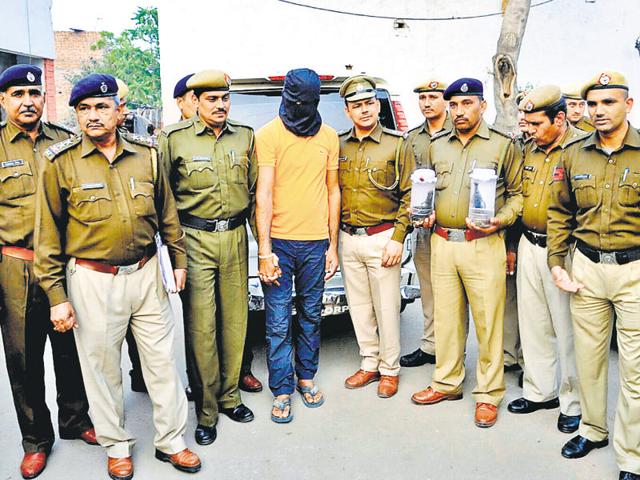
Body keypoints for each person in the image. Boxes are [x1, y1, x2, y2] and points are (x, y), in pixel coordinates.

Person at [34, 73, 200, 480]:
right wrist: (57, 295)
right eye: (84, 108)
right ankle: (116, 445)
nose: (93, 115)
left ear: (119, 110)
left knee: (161, 362)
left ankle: (172, 441)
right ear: (76, 114)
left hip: (145, 274)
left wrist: (177, 261)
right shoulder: (60, 162)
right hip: (92, 279)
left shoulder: (147, 154)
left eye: (101, 106)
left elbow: (167, 216)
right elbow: (47, 236)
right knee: (102, 368)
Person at [0, 64, 96, 480]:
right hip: (15, 264)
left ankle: (75, 420)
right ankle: (36, 440)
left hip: (63, 263)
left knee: (70, 348)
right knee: (23, 358)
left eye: (34, 94)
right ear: (3, 100)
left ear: (44, 98)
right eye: (18, 94)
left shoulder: (65, 142)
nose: (28, 102)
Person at [411, 78, 523, 429]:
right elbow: (427, 189)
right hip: (442, 242)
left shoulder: (503, 146)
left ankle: (489, 394)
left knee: (489, 322)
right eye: (454, 106)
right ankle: (447, 382)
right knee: (446, 318)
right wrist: (425, 212)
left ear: (482, 106)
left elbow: (519, 195)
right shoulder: (437, 145)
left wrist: (500, 221)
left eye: (466, 104)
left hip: (482, 243)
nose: (459, 112)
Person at [547, 70, 640, 480]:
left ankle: (631, 455)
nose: (599, 111)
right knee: (589, 360)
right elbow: (560, 212)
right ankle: (593, 429)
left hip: (634, 270)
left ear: (628, 105)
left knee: (635, 370)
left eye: (609, 102)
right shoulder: (574, 153)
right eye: (593, 104)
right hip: (585, 268)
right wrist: (556, 263)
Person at [159, 69, 257, 446]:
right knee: (202, 328)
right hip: (194, 238)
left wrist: (260, 246)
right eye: (212, 99)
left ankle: (230, 397)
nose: (220, 105)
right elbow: (164, 199)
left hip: (234, 237)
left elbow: (252, 193)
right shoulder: (173, 138)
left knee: (235, 322)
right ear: (195, 102)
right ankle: (207, 409)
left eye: (224, 98)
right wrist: (174, 254)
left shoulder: (245, 136)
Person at [255, 68, 340, 422]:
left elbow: (333, 189)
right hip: (280, 245)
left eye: (308, 102)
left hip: (316, 244)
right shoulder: (269, 135)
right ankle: (282, 389)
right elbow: (264, 192)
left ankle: (306, 377)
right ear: (285, 99)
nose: (301, 108)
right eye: (295, 101)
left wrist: (333, 246)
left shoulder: (329, 137)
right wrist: (264, 250)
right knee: (277, 320)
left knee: (310, 315)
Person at [506, 85, 583, 434]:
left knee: (567, 330)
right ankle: (540, 391)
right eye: (528, 124)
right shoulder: (529, 149)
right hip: (529, 243)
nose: (530, 130)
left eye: (537, 124)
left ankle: (572, 403)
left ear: (560, 118)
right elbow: (519, 197)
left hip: (564, 250)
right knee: (533, 323)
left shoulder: (581, 149)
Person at [339, 75, 414, 399]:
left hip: (383, 236)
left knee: (386, 307)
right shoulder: (339, 145)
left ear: (377, 104)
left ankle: (389, 369)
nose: (365, 110)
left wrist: (398, 237)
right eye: (357, 105)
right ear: (347, 111)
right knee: (359, 307)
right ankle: (369, 363)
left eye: (369, 103)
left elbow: (411, 194)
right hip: (348, 238)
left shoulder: (398, 144)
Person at [400, 78, 453, 368]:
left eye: (433, 97)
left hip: (451, 226)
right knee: (429, 290)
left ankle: (452, 350)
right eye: (423, 98)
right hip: (423, 227)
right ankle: (431, 345)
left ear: (445, 100)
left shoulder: (457, 132)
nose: (427, 103)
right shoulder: (412, 138)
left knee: (455, 292)